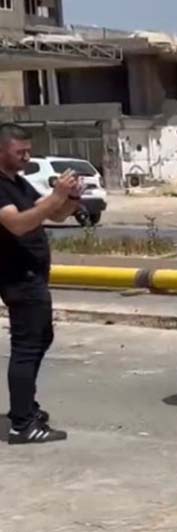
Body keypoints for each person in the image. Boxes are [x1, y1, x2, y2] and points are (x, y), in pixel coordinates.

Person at [0, 123, 82, 445]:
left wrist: (71, 198)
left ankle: (25, 407)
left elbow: (53, 214)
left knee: (40, 339)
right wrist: (57, 195)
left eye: (28, 150)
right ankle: (22, 423)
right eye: (19, 151)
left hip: (32, 278)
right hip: (19, 279)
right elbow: (19, 224)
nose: (26, 156)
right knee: (26, 347)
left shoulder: (17, 184)